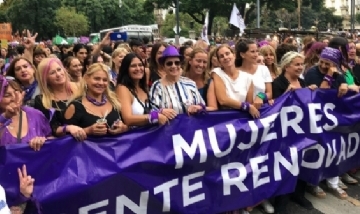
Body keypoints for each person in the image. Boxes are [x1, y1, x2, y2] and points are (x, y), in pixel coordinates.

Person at [64, 63, 128, 137]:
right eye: (96, 79)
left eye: (105, 80)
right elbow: (65, 139)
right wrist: (88, 131)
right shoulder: (75, 106)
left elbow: (126, 125)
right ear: (86, 79)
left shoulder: (114, 102)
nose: (101, 83)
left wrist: (124, 128)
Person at [149, 46, 209, 115]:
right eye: (169, 63)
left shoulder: (190, 84)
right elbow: (152, 111)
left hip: (192, 124)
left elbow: (202, 105)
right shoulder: (157, 86)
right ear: (163, 67)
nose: (174, 66)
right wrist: (161, 111)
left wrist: (197, 107)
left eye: (177, 63)